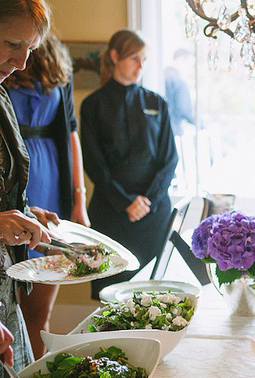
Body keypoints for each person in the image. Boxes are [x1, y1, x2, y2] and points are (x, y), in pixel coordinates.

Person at [4, 33, 89, 359]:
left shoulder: (56, 56)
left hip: (51, 182)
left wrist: (78, 201)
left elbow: (71, 134)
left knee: (39, 311)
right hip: (10, 175)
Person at [0, 0, 56, 378]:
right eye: (13, 43)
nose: (22, 63)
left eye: (30, 49)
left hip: (3, 297)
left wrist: (25, 213)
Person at [81, 30, 178, 299]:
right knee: (110, 299)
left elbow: (170, 159)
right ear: (114, 56)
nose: (141, 67)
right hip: (111, 216)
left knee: (154, 297)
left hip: (153, 215)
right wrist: (125, 202)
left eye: (144, 60)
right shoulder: (93, 105)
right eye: (135, 58)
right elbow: (94, 163)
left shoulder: (157, 103)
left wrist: (147, 200)